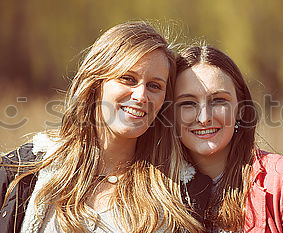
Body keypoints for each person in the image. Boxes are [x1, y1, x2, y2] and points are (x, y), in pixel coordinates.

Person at [0, 22, 202, 233]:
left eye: (154, 86)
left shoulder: (183, 191)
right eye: (128, 79)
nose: (141, 96)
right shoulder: (24, 172)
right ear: (96, 83)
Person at [175, 46, 283, 232]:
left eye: (218, 100)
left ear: (241, 108)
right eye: (188, 103)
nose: (204, 118)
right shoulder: (151, 189)